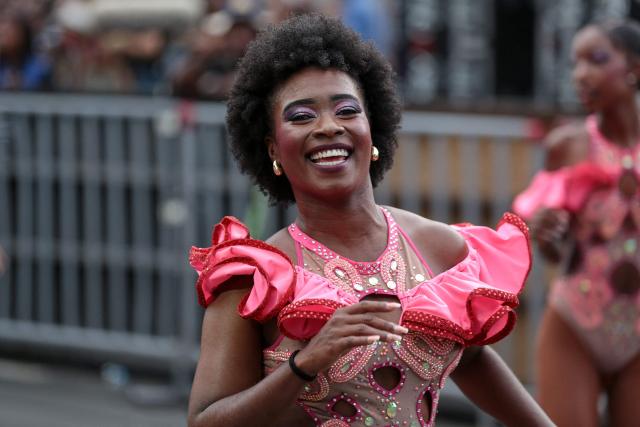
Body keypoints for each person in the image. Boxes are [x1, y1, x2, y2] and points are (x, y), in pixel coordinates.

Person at [188, 14, 553, 427]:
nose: (328, 127)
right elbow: (205, 420)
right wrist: (306, 363)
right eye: (301, 116)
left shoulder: (439, 247)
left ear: (371, 130)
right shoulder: (255, 279)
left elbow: (470, 357)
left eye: (346, 110)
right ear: (272, 148)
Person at [513, 19, 640, 427]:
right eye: (576, 63)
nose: (581, 74)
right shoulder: (567, 146)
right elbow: (552, 246)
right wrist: (546, 234)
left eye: (597, 60)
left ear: (634, 67)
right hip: (574, 323)